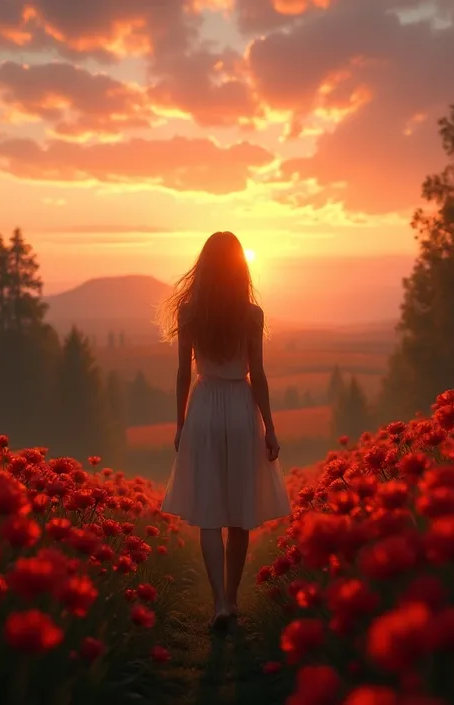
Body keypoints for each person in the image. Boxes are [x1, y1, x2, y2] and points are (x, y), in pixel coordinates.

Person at [158, 232, 291, 629]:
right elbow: (261, 375)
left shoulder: (189, 312)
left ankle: (218, 602)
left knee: (209, 514)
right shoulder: (252, 314)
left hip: (203, 409)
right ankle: (232, 599)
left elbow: (183, 373)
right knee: (239, 514)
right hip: (239, 407)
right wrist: (270, 426)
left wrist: (180, 424)